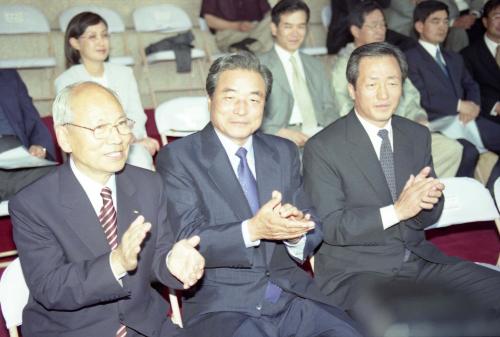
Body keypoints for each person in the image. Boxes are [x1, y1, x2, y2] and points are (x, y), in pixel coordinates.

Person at [156, 51, 361, 337]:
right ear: (210, 100)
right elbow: (189, 238)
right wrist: (252, 229)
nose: (242, 109)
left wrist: (295, 233)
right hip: (224, 305)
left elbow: (313, 221)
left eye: (254, 99)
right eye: (230, 98)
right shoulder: (178, 158)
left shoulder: (282, 152)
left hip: (292, 296)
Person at [303, 41, 500, 328]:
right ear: (352, 89)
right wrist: (397, 211)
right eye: (372, 84)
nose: (384, 94)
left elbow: (426, 215)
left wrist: (428, 201)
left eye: (393, 82)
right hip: (357, 273)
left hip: (420, 260)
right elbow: (332, 226)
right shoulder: (323, 147)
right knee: (410, 325)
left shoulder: (416, 135)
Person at [9, 82, 205, 337]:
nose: (117, 138)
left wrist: (172, 262)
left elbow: (157, 254)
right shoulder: (33, 204)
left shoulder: (149, 184)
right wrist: (116, 262)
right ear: (65, 137)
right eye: (100, 128)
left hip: (146, 327)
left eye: (122, 124)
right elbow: (51, 287)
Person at [331, 1, 465, 178]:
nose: (380, 30)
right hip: (374, 136)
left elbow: (411, 95)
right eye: (373, 25)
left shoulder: (391, 59)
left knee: (452, 149)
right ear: (356, 31)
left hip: (406, 130)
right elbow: (344, 108)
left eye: (383, 25)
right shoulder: (344, 65)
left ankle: (421, 194)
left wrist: (419, 117)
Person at [405, 0, 500, 189]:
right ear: (419, 26)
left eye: (445, 21)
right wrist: (458, 105)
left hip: (465, 119)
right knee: (468, 152)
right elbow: (419, 96)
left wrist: (472, 106)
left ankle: (492, 195)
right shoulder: (409, 58)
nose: (442, 27)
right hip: (436, 123)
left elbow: (471, 85)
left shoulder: (453, 57)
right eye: (435, 21)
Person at [55, 12, 159, 170]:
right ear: (75, 43)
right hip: (92, 150)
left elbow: (136, 114)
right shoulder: (66, 81)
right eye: (92, 37)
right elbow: (76, 129)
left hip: (127, 142)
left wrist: (129, 137)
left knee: (139, 159)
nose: (101, 42)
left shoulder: (124, 73)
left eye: (104, 35)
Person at [259, 0, 337, 148]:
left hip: (319, 138)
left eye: (301, 26)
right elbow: (252, 112)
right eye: (288, 26)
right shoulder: (259, 66)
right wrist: (279, 132)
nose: (295, 33)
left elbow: (330, 108)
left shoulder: (316, 66)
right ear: (274, 28)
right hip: (280, 138)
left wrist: (325, 135)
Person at [0, 69, 56, 202]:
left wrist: (39, 147)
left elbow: (33, 120)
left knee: (55, 178)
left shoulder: (9, 77)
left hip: (19, 160)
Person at [326, 0, 416, 55]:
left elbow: (385, 4)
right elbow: (357, 13)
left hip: (370, 28)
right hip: (345, 35)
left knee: (409, 43)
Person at [461, 0, 500, 125]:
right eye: (497, 17)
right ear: (485, 22)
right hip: (487, 117)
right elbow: (466, 90)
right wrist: (495, 106)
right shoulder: (467, 54)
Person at [200, 0, 273, 53]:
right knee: (266, 42)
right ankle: (250, 46)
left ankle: (247, 47)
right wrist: (237, 26)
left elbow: (268, 13)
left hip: (255, 30)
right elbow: (210, 21)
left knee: (274, 18)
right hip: (229, 34)